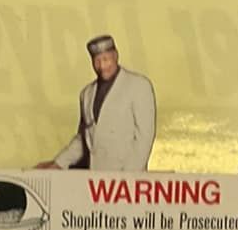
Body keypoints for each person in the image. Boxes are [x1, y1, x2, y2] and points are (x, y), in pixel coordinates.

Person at [43, 34, 156, 172]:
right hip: (95, 178)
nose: (102, 66)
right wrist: (59, 163)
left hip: (127, 178)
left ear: (115, 56)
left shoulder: (139, 85)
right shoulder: (87, 94)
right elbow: (84, 140)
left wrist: (127, 177)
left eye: (106, 59)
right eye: (97, 61)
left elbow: (144, 138)